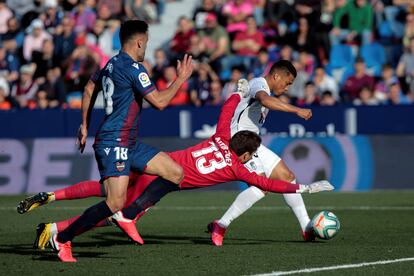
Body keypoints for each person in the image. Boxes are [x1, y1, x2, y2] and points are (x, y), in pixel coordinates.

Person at [19, 80, 333, 249]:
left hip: (161, 164)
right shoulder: (239, 169)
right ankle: (59, 229)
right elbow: (267, 184)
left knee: (109, 191)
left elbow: (225, 115)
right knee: (119, 208)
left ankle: (52, 206)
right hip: (168, 178)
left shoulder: (222, 136)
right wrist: (302, 186)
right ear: (248, 156)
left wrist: (236, 94)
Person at [45, 20, 193, 262]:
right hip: (114, 142)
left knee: (175, 173)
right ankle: (61, 239)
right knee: (114, 202)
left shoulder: (111, 63)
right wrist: (180, 79)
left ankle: (129, 215)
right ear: (139, 42)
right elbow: (160, 102)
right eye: (146, 41)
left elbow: (90, 88)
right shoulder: (135, 68)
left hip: (129, 142)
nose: (146, 45)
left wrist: (84, 124)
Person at [208, 60, 316, 247]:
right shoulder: (258, 84)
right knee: (261, 187)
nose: (288, 87)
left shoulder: (266, 89)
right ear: (276, 76)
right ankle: (222, 225)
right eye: (287, 82)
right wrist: (297, 110)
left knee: (287, 176)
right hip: (239, 142)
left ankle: (306, 227)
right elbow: (265, 100)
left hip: (251, 142)